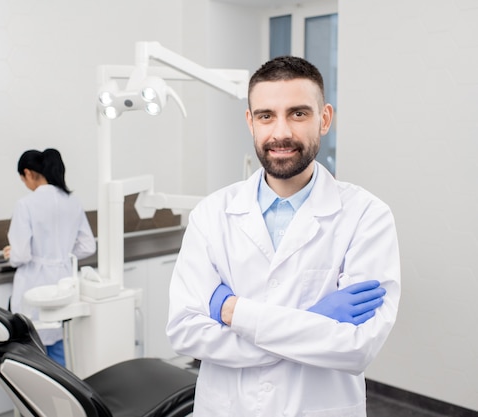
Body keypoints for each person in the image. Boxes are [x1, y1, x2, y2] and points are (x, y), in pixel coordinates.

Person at [166, 56, 400, 417]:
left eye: (298, 113)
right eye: (266, 116)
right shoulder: (211, 215)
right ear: (250, 122)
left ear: (324, 120)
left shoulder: (367, 216)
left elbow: (356, 347)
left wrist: (233, 311)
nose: (280, 133)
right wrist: (313, 322)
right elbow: (184, 332)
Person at [4, 148, 96, 366]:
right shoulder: (73, 201)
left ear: (28, 173)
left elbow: (21, 255)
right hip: (63, 284)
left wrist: (11, 253)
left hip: (33, 284)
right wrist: (61, 254)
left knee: (32, 356)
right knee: (59, 351)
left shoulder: (25, 204)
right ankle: (63, 398)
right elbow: (88, 245)